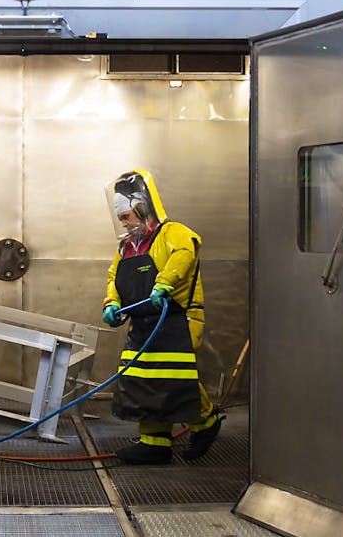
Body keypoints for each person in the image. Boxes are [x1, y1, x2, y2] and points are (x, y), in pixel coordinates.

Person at [101, 169, 221, 464]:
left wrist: (163, 283)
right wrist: (111, 303)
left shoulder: (173, 233)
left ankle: (206, 423)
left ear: (142, 207)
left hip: (178, 319)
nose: (123, 224)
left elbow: (184, 254)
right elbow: (114, 277)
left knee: (171, 377)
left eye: (126, 216)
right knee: (144, 380)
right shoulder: (127, 246)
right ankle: (154, 443)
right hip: (144, 323)